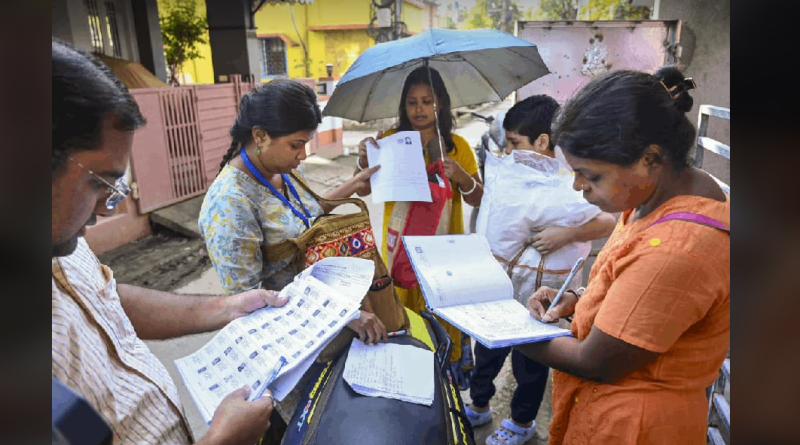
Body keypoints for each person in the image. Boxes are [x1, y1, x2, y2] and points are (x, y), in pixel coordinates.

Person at [52, 38, 282, 445]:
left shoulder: (61, 239)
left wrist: (225, 307)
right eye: (98, 183)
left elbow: (103, 300)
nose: (106, 209)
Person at [516, 67, 730, 445]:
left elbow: (595, 361)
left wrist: (507, 335)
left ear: (649, 158)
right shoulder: (653, 198)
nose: (578, 186)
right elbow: (634, 292)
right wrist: (577, 302)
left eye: (591, 176)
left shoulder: (676, 249)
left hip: (635, 428)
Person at [198, 79, 388, 425]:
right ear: (259, 136)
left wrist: (352, 186)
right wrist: (343, 315)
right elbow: (249, 305)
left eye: (305, 144)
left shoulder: (279, 171)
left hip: (323, 324)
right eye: (295, 145)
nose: (302, 155)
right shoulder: (230, 204)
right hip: (291, 353)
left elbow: (301, 218)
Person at [465, 95, 617, 445]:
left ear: (542, 141)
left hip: (543, 292)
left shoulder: (570, 183)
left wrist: (568, 233)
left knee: (530, 362)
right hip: (500, 287)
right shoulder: (509, 174)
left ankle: (521, 422)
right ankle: (479, 403)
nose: (510, 151)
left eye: (516, 142)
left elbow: (609, 221)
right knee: (486, 350)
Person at [355, 66, 483, 388]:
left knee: (439, 316)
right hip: (398, 254)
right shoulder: (389, 142)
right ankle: (406, 388)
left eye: (427, 101)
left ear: (440, 104)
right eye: (412, 102)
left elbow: (479, 198)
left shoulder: (458, 148)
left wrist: (462, 178)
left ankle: (443, 391)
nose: (419, 110)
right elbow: (364, 190)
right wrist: (363, 160)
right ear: (403, 105)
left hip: (443, 256)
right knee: (400, 319)